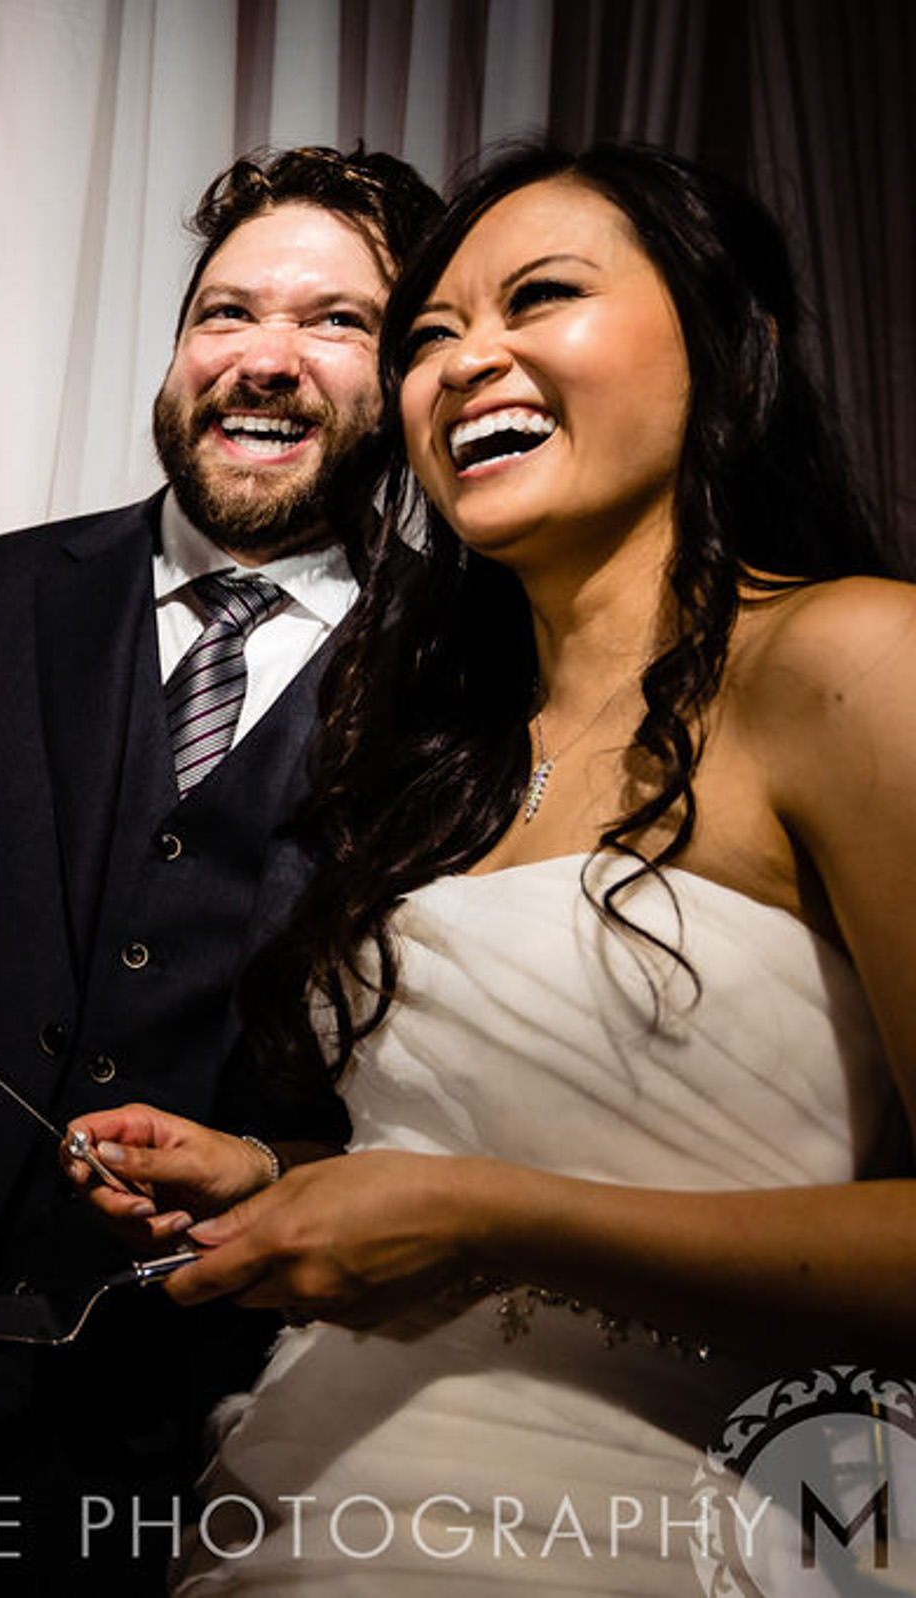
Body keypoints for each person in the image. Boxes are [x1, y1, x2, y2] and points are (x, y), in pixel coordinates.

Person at [66, 140, 916, 1591]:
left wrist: (477, 1215)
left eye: (540, 299)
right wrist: (286, 1179)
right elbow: (518, 1140)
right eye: (433, 337)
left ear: (729, 337)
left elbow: (501, 1204)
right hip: (305, 1505)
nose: (468, 364)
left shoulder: (850, 659)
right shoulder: (440, 755)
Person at [0, 146, 442, 1593]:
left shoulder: (465, 672)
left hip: (223, 1406)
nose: (265, 360)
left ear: (409, 375)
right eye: (226, 313)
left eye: (336, 322)